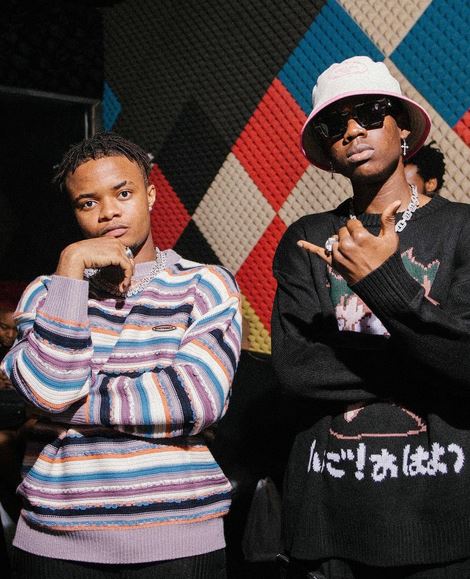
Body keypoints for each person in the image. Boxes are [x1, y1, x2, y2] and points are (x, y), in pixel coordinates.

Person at [1, 132, 242, 578]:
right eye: (87, 202)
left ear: (150, 195)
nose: (108, 211)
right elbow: (50, 387)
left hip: (179, 537)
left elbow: (196, 401)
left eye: (123, 193)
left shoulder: (204, 284)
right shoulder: (48, 291)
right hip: (53, 538)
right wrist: (71, 267)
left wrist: (63, 406)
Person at [271, 55, 470, 578]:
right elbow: (296, 370)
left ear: (403, 128)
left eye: (370, 112)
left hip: (444, 513)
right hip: (330, 507)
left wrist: (381, 281)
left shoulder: (462, 230)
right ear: (326, 151)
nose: (353, 130)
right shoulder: (307, 237)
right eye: (334, 124)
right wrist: (432, 363)